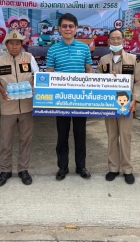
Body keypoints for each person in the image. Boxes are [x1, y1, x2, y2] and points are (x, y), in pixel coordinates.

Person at [46, 13, 93, 181]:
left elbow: (89, 71)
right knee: (62, 134)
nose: (67, 29)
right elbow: (49, 74)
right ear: (59, 29)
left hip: (81, 98)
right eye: (64, 26)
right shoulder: (53, 49)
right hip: (61, 99)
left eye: (71, 26)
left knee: (80, 134)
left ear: (76, 29)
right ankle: (62, 167)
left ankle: (81, 166)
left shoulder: (84, 48)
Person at [0, 30, 39, 186]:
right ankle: (5, 170)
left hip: (26, 106)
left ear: (21, 45)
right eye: (11, 44)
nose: (14, 46)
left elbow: (37, 76)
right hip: (8, 107)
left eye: (17, 44)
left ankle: (23, 169)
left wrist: (33, 86)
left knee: (26, 139)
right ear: (6, 45)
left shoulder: (29, 58)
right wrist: (2, 91)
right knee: (6, 140)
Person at [96, 29, 140, 184]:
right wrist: (105, 77)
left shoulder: (133, 59)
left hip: (126, 105)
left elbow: (138, 81)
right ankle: (113, 168)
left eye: (118, 39)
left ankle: (127, 169)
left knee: (126, 137)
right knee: (112, 137)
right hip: (109, 105)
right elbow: (97, 80)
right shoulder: (103, 60)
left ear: (123, 41)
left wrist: (135, 100)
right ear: (109, 41)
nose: (115, 42)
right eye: (112, 39)